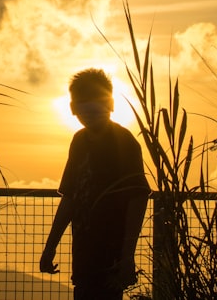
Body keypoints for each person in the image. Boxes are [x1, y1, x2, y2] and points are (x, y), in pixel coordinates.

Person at [39, 68, 150, 300]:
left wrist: (127, 255)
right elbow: (70, 197)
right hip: (83, 251)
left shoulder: (124, 142)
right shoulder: (79, 141)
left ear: (110, 104)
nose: (89, 111)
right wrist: (50, 247)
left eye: (96, 103)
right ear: (73, 109)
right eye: (82, 105)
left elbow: (138, 199)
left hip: (111, 252)